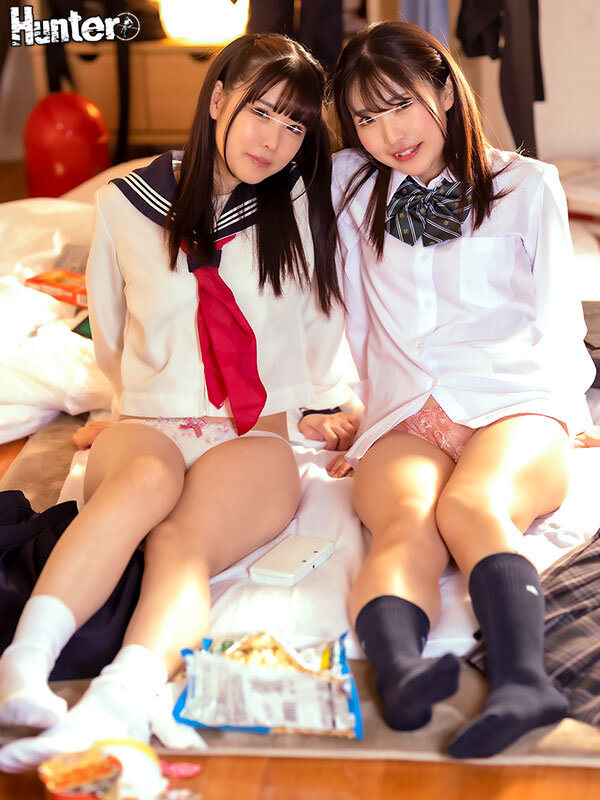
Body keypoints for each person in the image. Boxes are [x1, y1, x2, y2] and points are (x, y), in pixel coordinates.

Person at [0, 33, 357, 773]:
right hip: (151, 422)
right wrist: (133, 402)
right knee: (142, 482)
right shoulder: (123, 203)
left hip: (253, 433)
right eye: (261, 110)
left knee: (180, 544)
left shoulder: (300, 205)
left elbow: (322, 324)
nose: (274, 140)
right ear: (218, 98)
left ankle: (118, 701)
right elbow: (111, 332)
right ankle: (23, 666)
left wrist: (332, 406)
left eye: (295, 125)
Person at [323, 21, 596, 758]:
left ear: (444, 89)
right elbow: (339, 309)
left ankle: (524, 683)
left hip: (513, 401)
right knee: (405, 525)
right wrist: (338, 403)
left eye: (401, 104)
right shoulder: (349, 186)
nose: (389, 133)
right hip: (405, 409)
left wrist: (569, 411)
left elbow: (557, 320)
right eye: (366, 118)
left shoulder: (525, 185)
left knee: (470, 507)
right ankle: (402, 674)